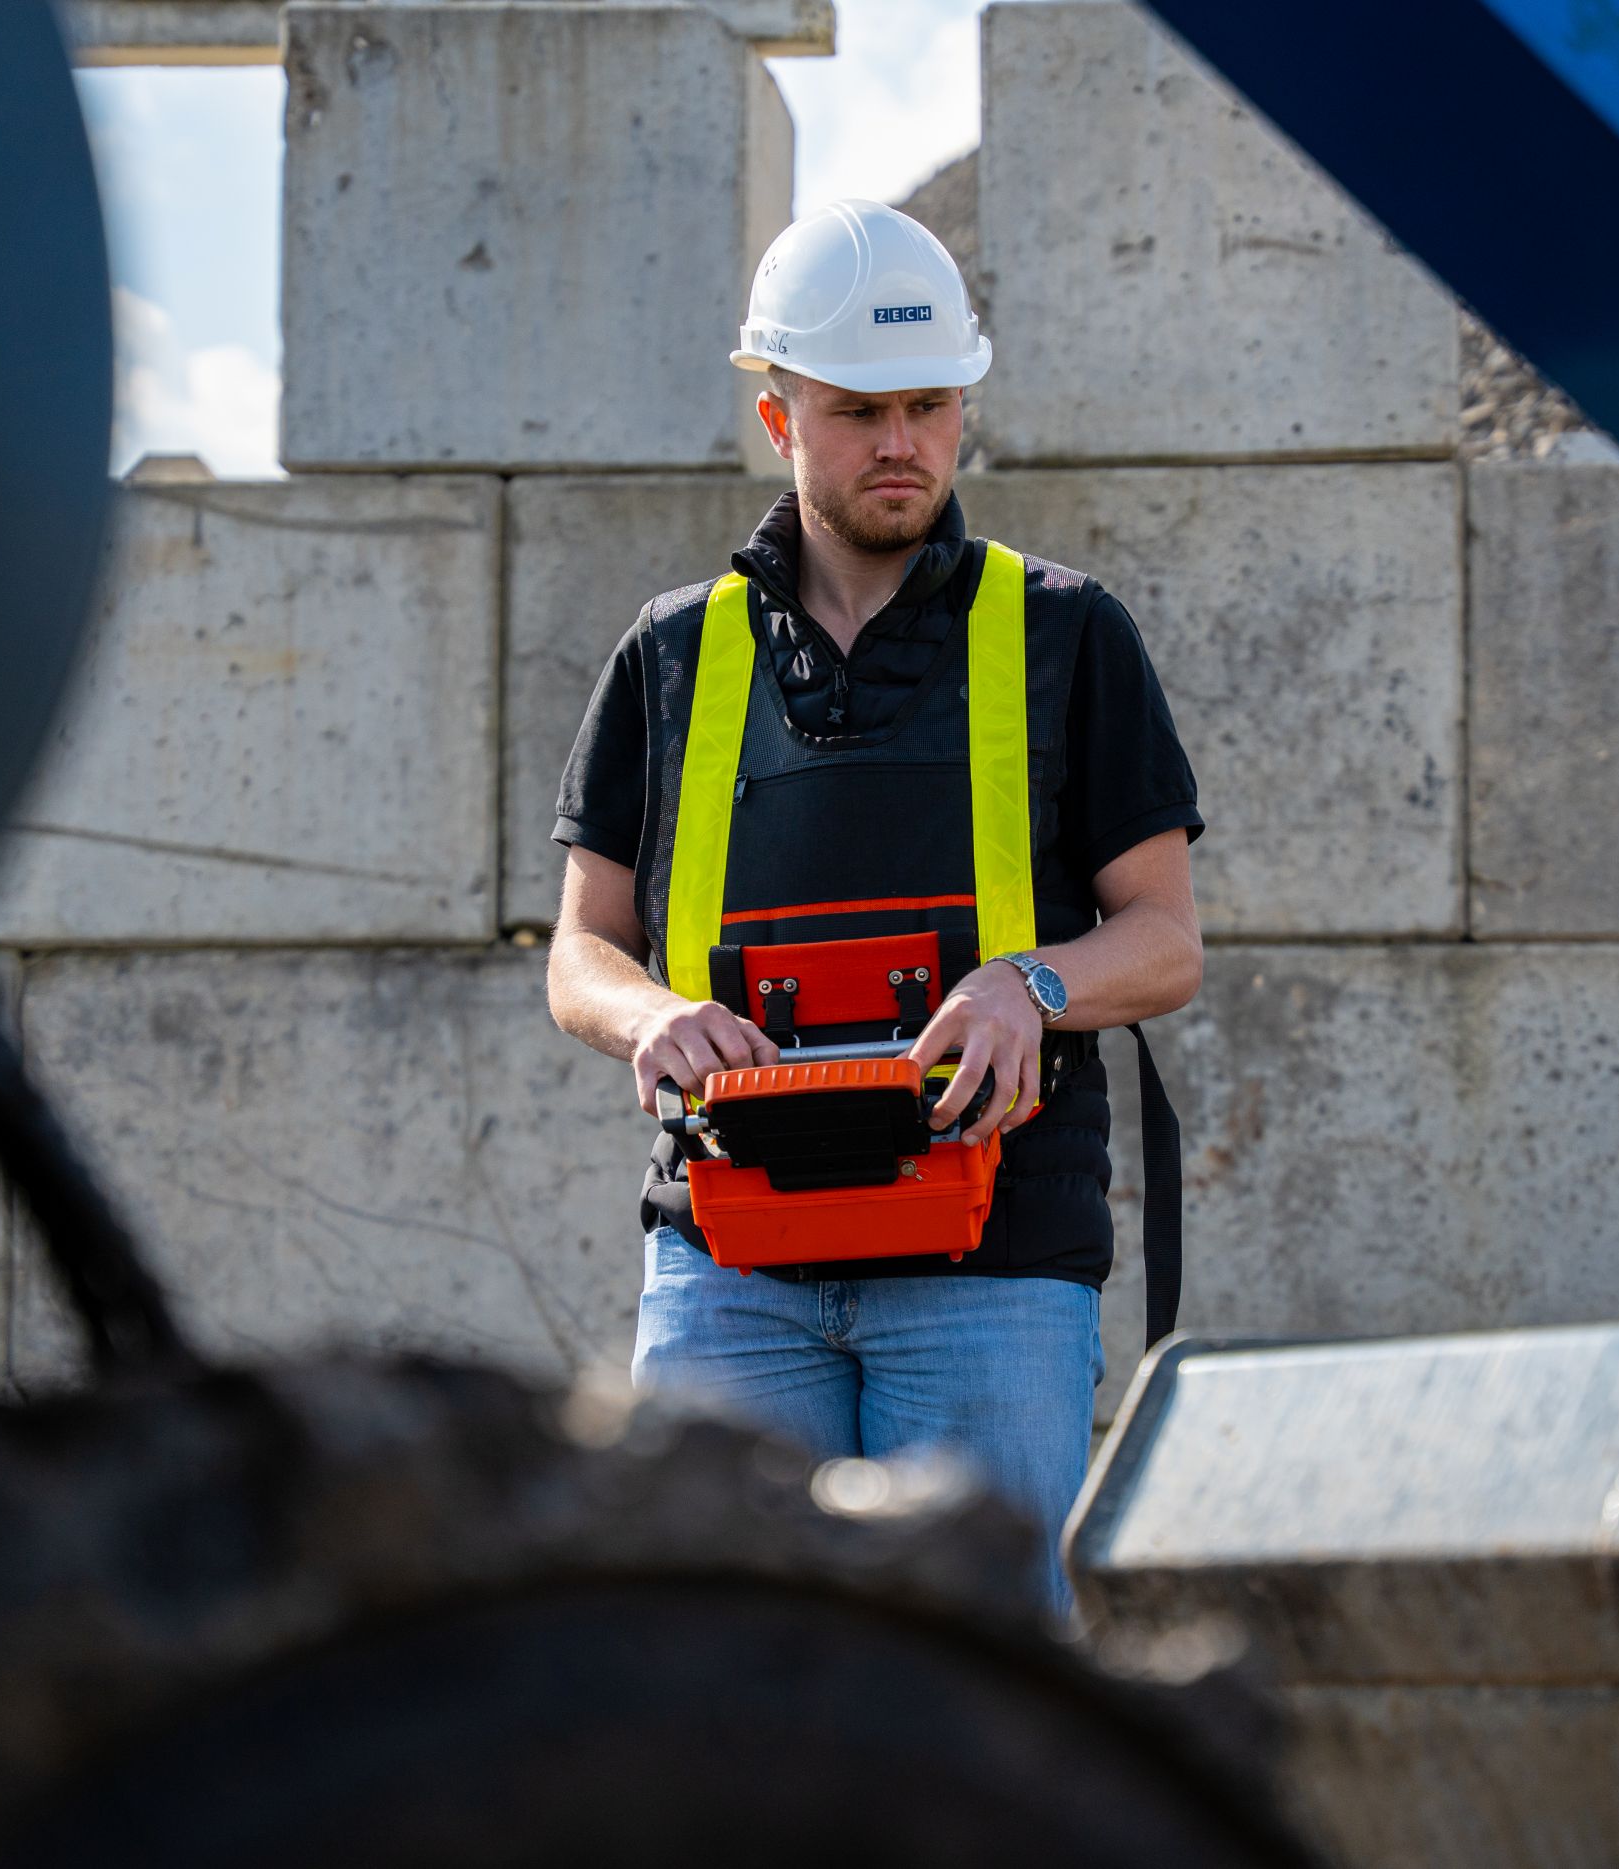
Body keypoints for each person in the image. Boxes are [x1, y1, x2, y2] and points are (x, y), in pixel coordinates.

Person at [544, 199, 1203, 1614]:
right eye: (859, 411)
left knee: (989, 1704)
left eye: (928, 405)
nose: (901, 441)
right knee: (716, 1688)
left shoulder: (1066, 634)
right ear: (780, 420)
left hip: (992, 1270)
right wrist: (653, 1013)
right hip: (729, 1264)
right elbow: (580, 949)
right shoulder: (670, 652)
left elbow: (1164, 938)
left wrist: (1030, 986)